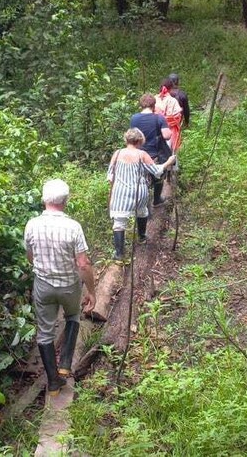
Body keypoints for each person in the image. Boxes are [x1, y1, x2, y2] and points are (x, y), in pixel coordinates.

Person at [24, 179, 96, 395]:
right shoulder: (73, 227)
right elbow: (83, 264)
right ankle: (65, 364)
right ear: (65, 201)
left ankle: (53, 382)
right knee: (73, 316)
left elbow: (30, 257)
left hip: (43, 286)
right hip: (69, 285)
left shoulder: (32, 224)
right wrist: (91, 292)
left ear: (44, 199)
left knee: (45, 333)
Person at [108, 128, 176, 259]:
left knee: (119, 222)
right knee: (142, 211)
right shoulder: (142, 154)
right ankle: (141, 237)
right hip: (139, 192)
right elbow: (156, 171)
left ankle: (119, 254)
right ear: (139, 141)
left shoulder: (117, 154)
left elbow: (110, 176)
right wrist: (169, 161)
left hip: (120, 193)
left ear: (126, 140)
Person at [130, 93, 172, 207]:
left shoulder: (134, 118)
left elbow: (132, 135)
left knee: (141, 180)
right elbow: (167, 136)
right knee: (158, 177)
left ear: (141, 105)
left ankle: (142, 204)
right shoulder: (159, 118)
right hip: (154, 155)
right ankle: (157, 200)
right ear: (154, 105)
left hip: (138, 154)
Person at [155, 78, 183, 152]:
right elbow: (177, 117)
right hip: (170, 130)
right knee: (170, 152)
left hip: (155, 130)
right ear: (170, 88)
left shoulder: (154, 99)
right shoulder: (173, 101)